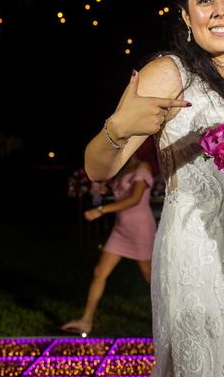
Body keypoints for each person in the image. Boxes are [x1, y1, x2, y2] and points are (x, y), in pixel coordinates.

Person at [83, 0, 224, 375]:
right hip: (195, 253)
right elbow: (97, 168)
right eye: (204, 0)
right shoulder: (169, 72)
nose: (220, 11)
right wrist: (117, 128)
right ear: (185, 15)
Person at [61, 144, 157, 335]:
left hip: (140, 229)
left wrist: (100, 211)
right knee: (99, 272)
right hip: (121, 228)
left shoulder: (143, 167)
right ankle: (85, 322)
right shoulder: (123, 168)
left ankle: (171, 321)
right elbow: (119, 194)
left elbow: (134, 199)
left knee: (151, 278)